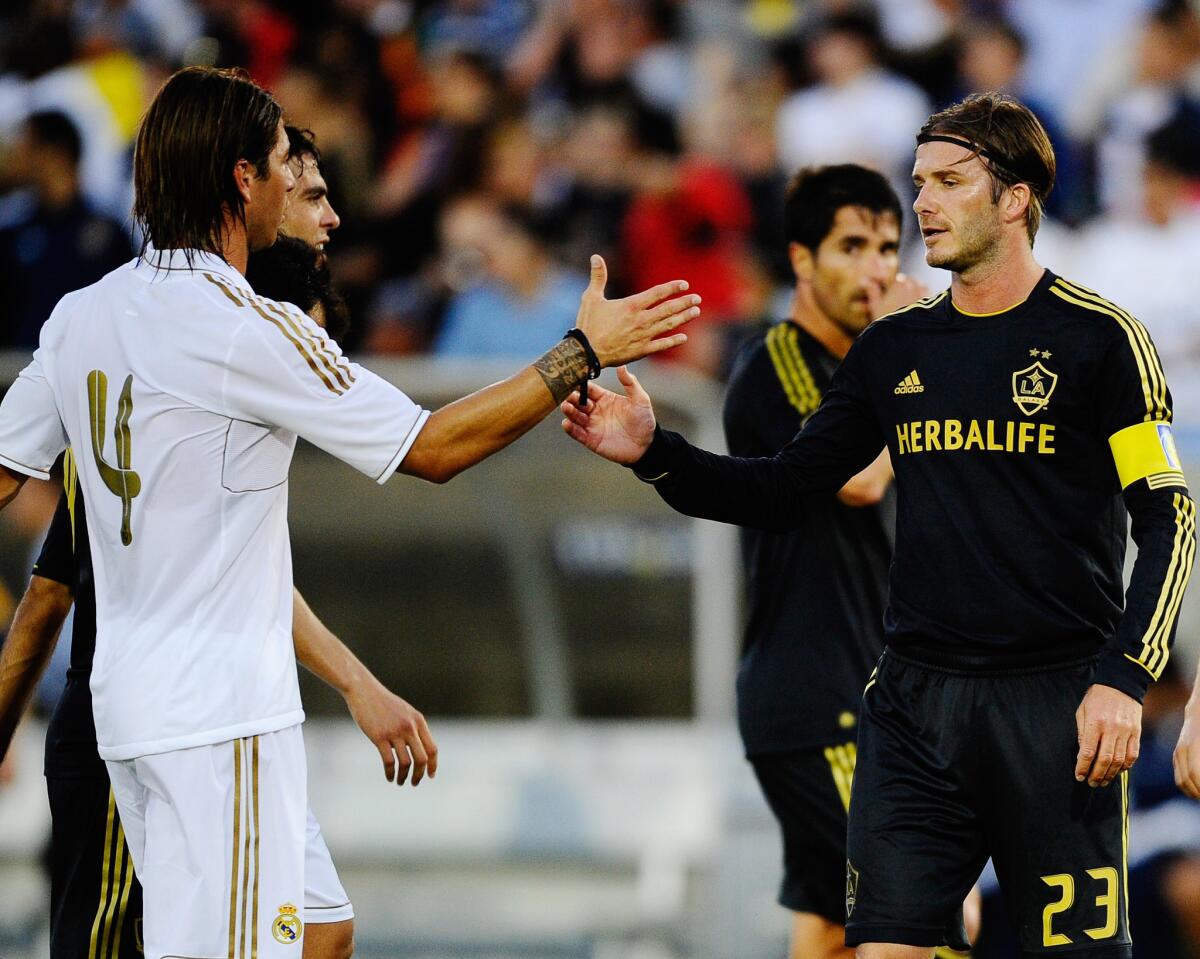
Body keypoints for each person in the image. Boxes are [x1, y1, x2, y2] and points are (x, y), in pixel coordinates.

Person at [0, 65, 697, 959]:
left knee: (318, 929)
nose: (298, 186)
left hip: (132, 709)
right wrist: (579, 352)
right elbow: (434, 449)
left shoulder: (80, 316)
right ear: (240, 179)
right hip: (222, 718)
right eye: (283, 166)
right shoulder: (245, 323)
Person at [562, 92, 1195, 958]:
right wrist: (655, 453)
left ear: (1014, 198)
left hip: (1055, 709)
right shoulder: (896, 348)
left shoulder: (1102, 340)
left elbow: (1169, 513)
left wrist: (1126, 674)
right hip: (912, 709)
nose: (923, 204)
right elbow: (789, 487)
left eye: (948, 182)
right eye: (919, 183)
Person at [0, 125, 407, 959]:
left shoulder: (196, 334)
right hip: (174, 721)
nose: (331, 219)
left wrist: (360, 684)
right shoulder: (186, 348)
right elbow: (52, 585)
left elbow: (246, 567)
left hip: (205, 714)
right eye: (313, 194)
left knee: (320, 929)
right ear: (248, 189)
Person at [723, 163, 953, 959]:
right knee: (926, 924)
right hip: (819, 696)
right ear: (800, 261)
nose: (877, 267)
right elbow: (854, 479)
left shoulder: (877, 366)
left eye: (888, 246)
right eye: (851, 246)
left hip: (871, 688)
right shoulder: (781, 361)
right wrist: (903, 347)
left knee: (831, 929)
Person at [0, 110, 133, 349]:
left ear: (53, 153)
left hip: (89, 374)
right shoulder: (12, 235)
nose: (14, 155)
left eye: (25, 145)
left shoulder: (108, 236)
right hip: (18, 374)